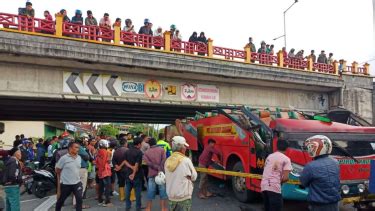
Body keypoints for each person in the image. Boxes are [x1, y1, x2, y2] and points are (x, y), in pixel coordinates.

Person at [300, 135, 340, 211]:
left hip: (319, 204)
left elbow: (303, 183)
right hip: (334, 202)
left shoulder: (310, 166)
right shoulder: (335, 162)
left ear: (314, 148)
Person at [165, 136, 197, 211]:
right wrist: (188, 177)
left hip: (171, 196)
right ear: (181, 148)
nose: (185, 148)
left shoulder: (167, 160)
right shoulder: (186, 160)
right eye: (184, 146)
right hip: (183, 197)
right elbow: (194, 177)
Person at [261, 139, 292, 211]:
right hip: (274, 188)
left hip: (264, 186)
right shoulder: (286, 159)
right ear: (287, 148)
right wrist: (279, 182)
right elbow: (286, 178)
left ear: (276, 146)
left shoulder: (269, 156)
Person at [116, 137, 144, 211]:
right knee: (137, 192)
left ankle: (127, 207)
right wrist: (134, 173)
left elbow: (125, 161)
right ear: (138, 144)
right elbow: (137, 164)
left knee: (128, 191)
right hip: (137, 175)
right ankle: (138, 208)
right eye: (141, 143)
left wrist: (130, 168)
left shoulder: (127, 151)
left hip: (128, 173)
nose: (142, 145)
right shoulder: (139, 152)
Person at [55, 142, 83, 211]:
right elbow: (57, 170)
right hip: (66, 184)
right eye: (76, 147)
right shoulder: (64, 158)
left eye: (78, 148)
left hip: (77, 183)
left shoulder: (79, 157)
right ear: (70, 148)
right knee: (61, 200)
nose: (78, 149)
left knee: (79, 200)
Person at [144, 138, 167, 211]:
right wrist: (159, 168)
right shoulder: (162, 150)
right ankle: (163, 208)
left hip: (152, 174)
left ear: (149, 144)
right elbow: (164, 160)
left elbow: (148, 163)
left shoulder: (146, 152)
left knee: (150, 191)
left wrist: (155, 167)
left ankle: (148, 208)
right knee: (162, 191)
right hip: (161, 174)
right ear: (156, 143)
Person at [73, 136, 90, 209]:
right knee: (81, 187)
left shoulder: (72, 147)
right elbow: (87, 157)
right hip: (81, 169)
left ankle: (75, 203)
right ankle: (78, 204)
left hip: (75, 168)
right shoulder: (79, 147)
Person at [96, 139, 113, 207]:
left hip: (100, 171)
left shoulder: (98, 152)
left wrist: (99, 171)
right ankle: (107, 202)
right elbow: (106, 161)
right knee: (107, 186)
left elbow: (96, 162)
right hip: (105, 171)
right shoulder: (106, 152)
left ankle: (100, 200)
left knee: (101, 186)